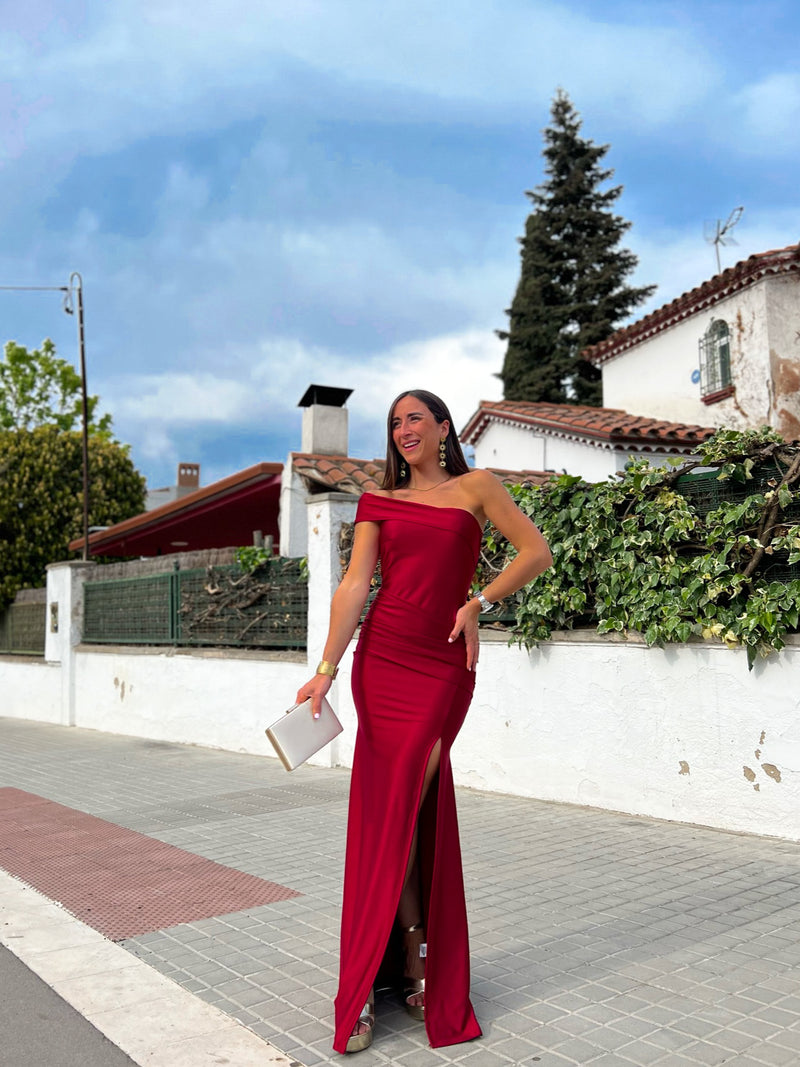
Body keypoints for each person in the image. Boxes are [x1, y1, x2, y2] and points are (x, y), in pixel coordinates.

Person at [296, 389, 552, 1054]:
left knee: (410, 803)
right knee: (394, 812)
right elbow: (355, 585)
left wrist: (480, 604)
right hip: (380, 661)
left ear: (443, 426)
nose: (403, 429)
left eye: (416, 418)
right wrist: (325, 667)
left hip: (442, 667)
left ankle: (408, 957)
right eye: (395, 422)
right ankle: (396, 966)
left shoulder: (479, 487)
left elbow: (534, 551)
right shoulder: (378, 501)